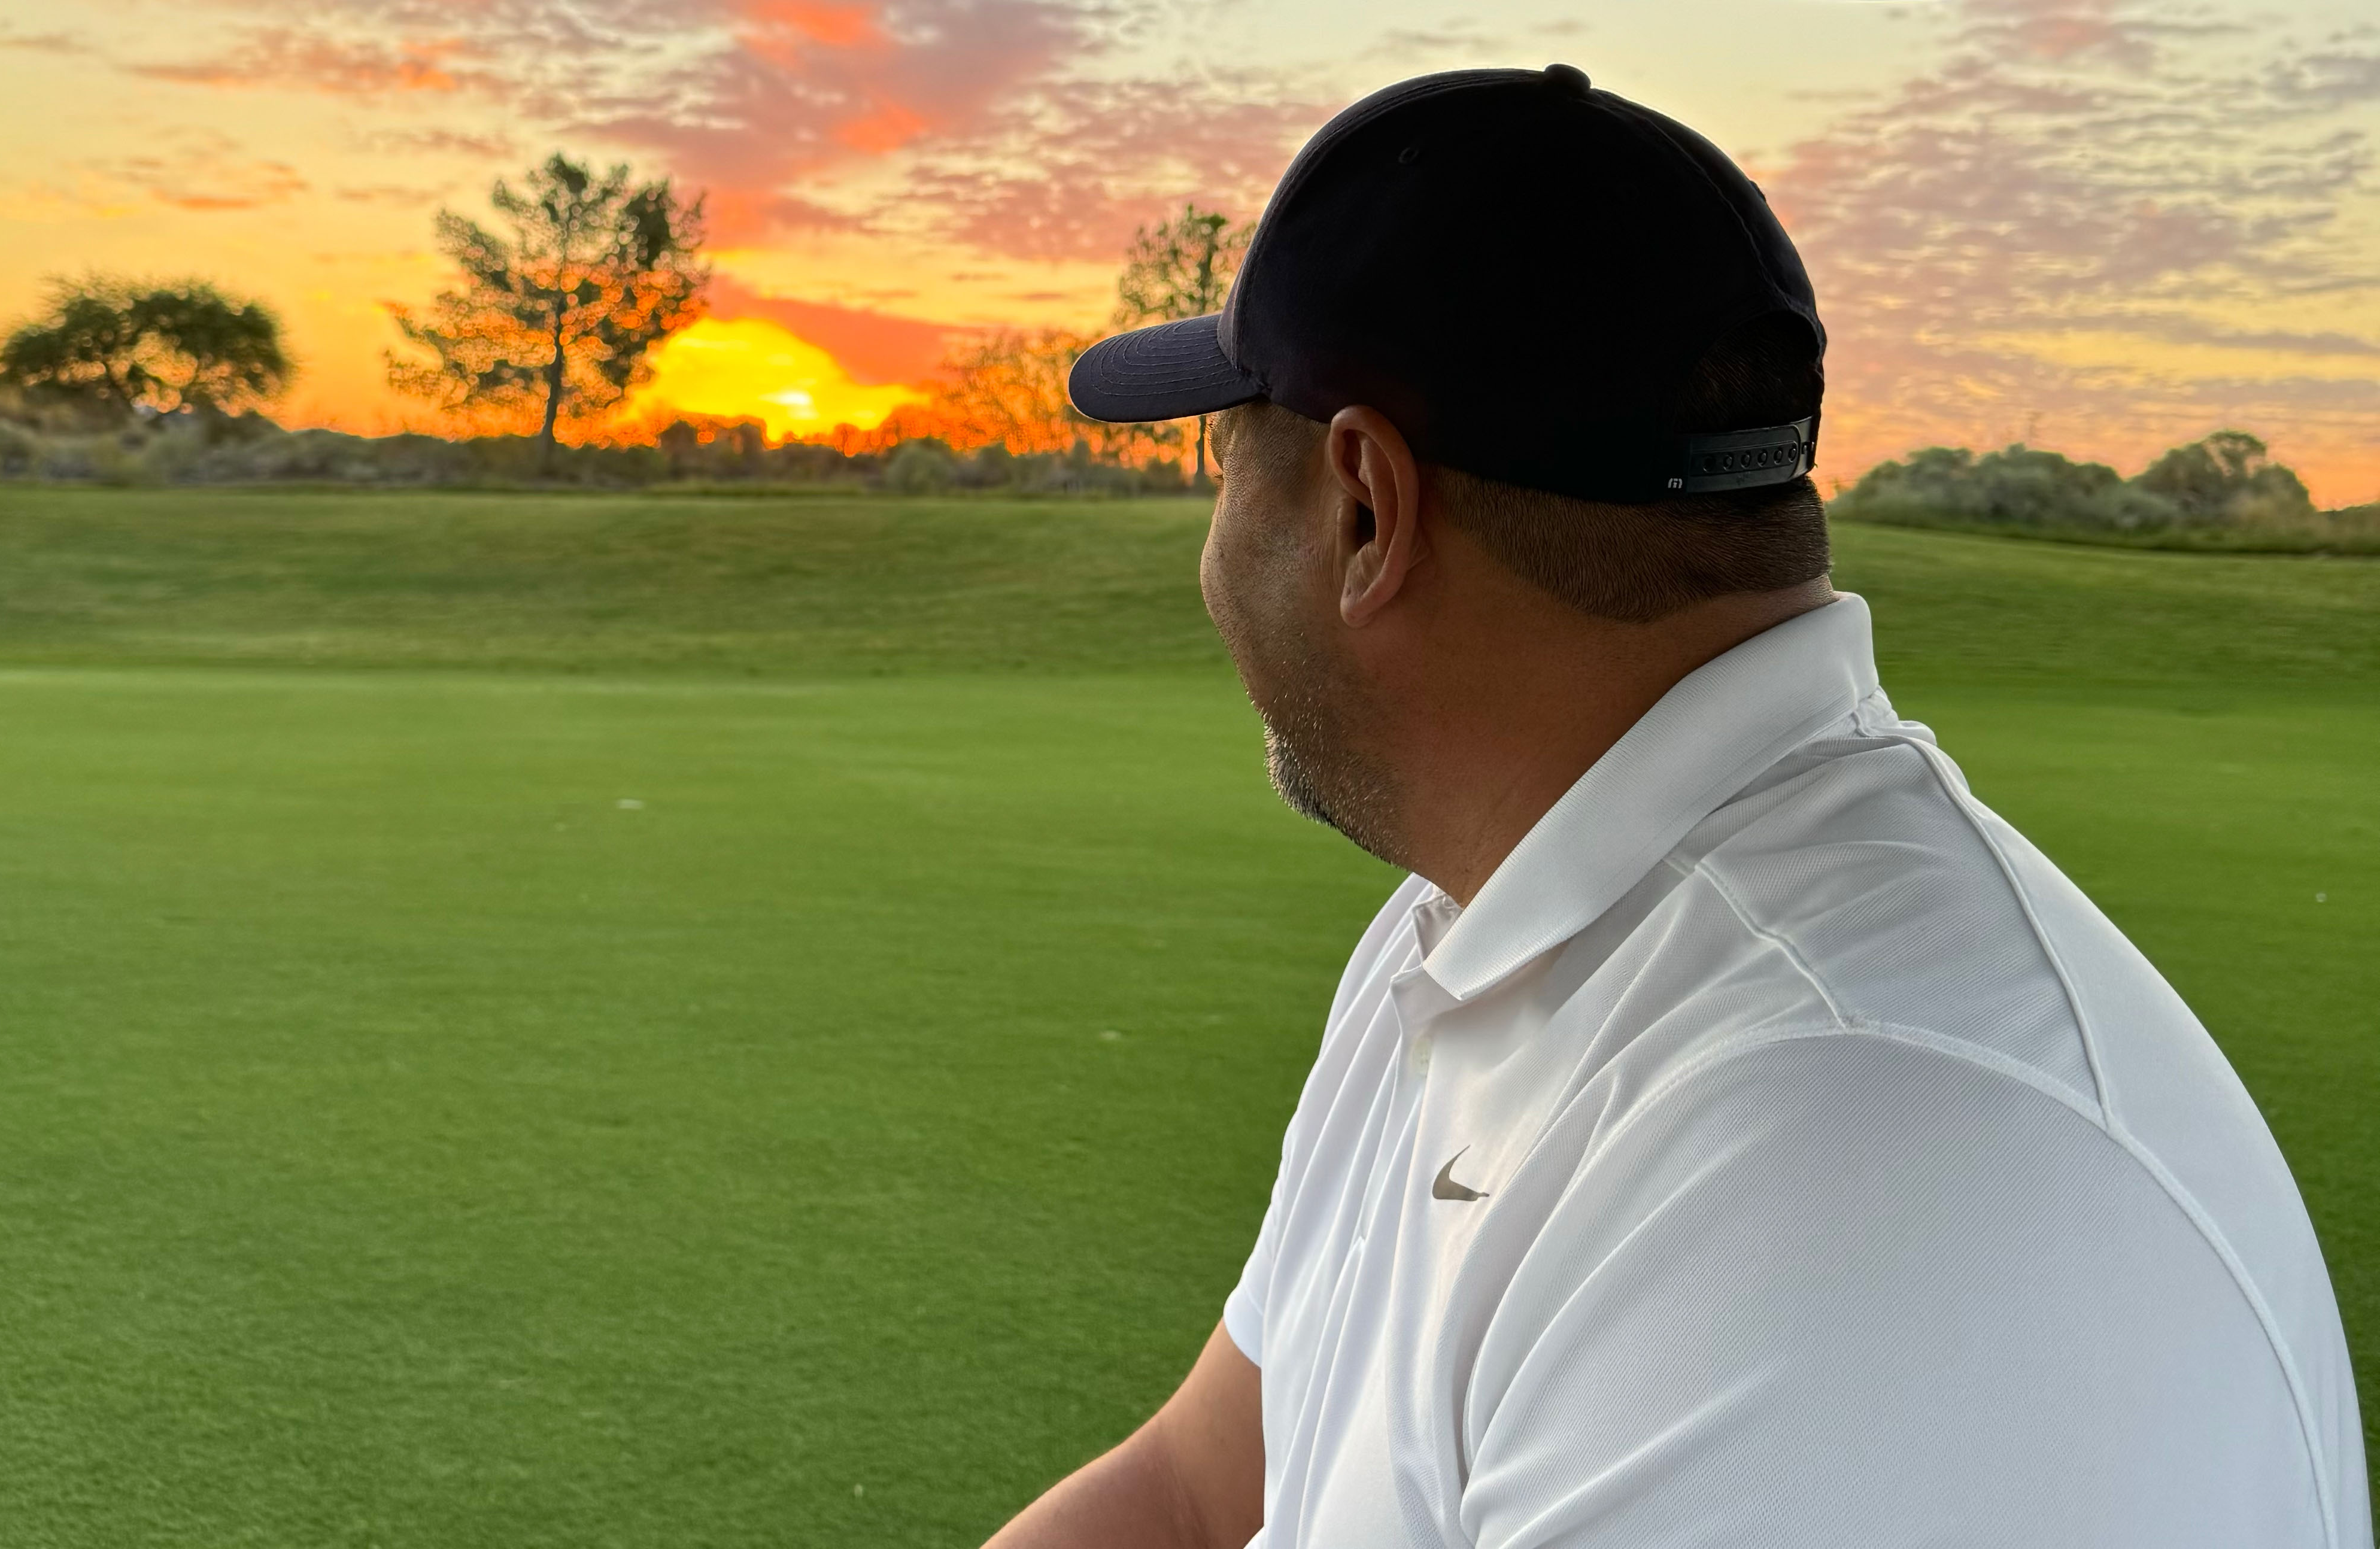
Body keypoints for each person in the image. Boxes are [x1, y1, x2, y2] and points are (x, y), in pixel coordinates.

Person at [985, 66, 2370, 1549]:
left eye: (1224, 462)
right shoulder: (1465, 932)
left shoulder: (1840, 1171)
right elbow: (1199, 1492)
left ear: (1365, 508)